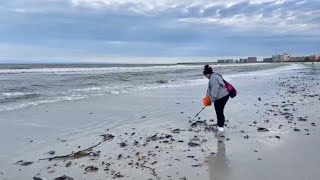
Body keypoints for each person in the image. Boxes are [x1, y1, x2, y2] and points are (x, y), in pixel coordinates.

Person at [203, 64, 229, 135]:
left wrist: (211, 100)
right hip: (225, 95)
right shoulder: (216, 75)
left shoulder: (213, 78)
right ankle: (219, 126)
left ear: (207, 74)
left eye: (205, 76)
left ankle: (220, 129)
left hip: (221, 96)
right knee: (220, 111)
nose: (206, 77)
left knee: (219, 112)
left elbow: (214, 90)